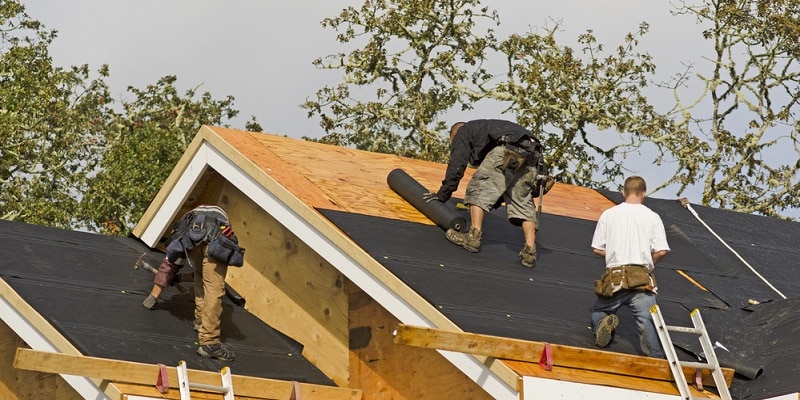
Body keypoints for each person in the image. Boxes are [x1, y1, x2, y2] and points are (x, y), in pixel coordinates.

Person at [423, 119, 553, 268]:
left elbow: (457, 164)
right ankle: (530, 252)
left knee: (478, 188)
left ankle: (473, 237)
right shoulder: (492, 128)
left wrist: (443, 194)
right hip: (533, 158)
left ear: (454, 134)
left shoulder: (464, 131)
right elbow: (500, 185)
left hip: (508, 150)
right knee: (523, 203)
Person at [142, 205, 244, 362]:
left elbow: (169, 265)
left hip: (196, 240)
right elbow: (209, 277)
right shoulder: (220, 222)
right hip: (216, 239)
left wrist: (153, 297)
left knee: (199, 276)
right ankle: (210, 343)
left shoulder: (187, 228)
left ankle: (200, 321)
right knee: (213, 289)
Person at [589, 176, 669, 358]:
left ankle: (602, 321)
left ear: (623, 192)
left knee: (599, 310)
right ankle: (655, 359)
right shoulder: (652, 217)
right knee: (647, 320)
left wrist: (613, 255)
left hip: (614, 276)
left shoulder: (609, 214)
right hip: (641, 277)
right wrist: (649, 264)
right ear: (644, 193)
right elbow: (662, 251)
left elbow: (597, 248)